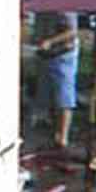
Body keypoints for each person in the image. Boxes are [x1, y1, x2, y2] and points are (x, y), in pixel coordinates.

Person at [30, 10, 79, 148]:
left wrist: (50, 41)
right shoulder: (42, 6)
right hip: (47, 56)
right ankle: (55, 135)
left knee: (64, 97)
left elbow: (72, 32)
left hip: (64, 56)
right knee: (50, 95)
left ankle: (63, 138)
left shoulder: (64, 6)